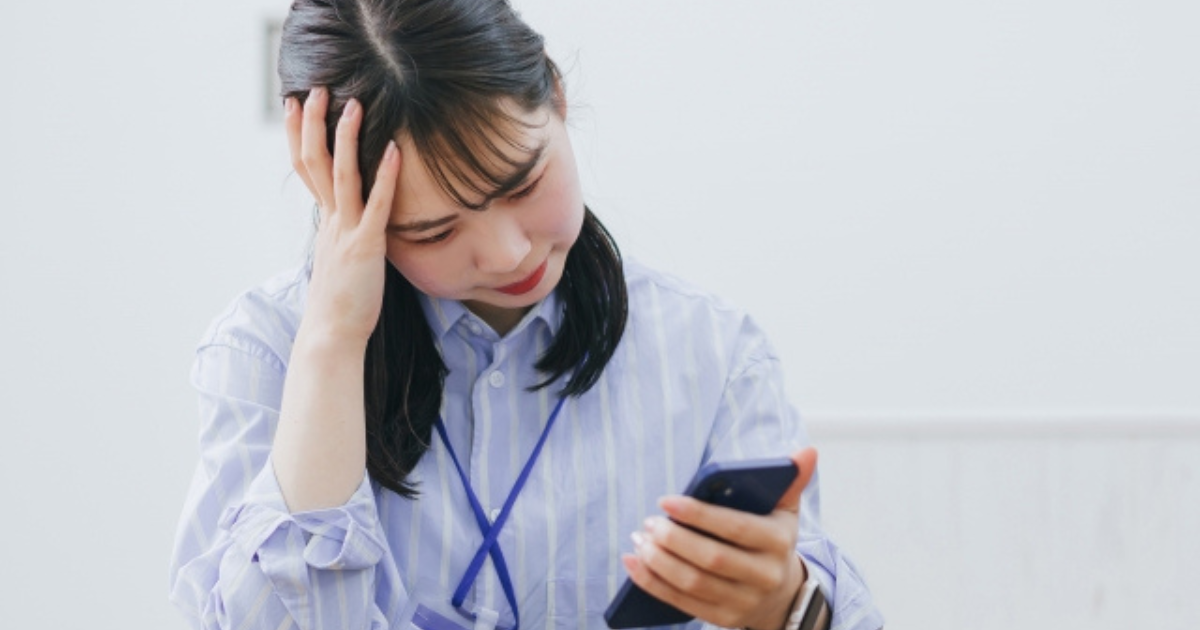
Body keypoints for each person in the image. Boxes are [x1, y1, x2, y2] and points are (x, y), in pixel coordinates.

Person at [168, 1, 884, 629]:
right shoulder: (265, 354)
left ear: (557, 98)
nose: (509, 253)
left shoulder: (713, 355)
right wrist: (332, 342)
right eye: (434, 232)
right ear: (340, 197)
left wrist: (785, 607)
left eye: (522, 182)